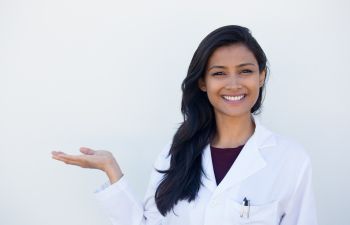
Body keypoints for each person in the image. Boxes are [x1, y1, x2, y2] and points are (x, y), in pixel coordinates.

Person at [51, 25, 318, 225]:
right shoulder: (177, 151)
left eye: (245, 71)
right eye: (219, 73)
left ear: (261, 76)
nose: (234, 84)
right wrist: (112, 170)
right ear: (203, 83)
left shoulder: (290, 160)